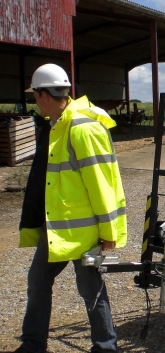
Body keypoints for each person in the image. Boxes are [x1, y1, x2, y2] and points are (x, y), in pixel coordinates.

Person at [13, 63, 127, 353]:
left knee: (91, 290)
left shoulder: (82, 128)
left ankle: (105, 347)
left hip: (84, 232)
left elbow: (101, 183)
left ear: (43, 95)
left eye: (34, 97)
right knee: (38, 283)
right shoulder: (56, 127)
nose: (34, 103)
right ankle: (32, 345)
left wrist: (108, 231)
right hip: (56, 229)